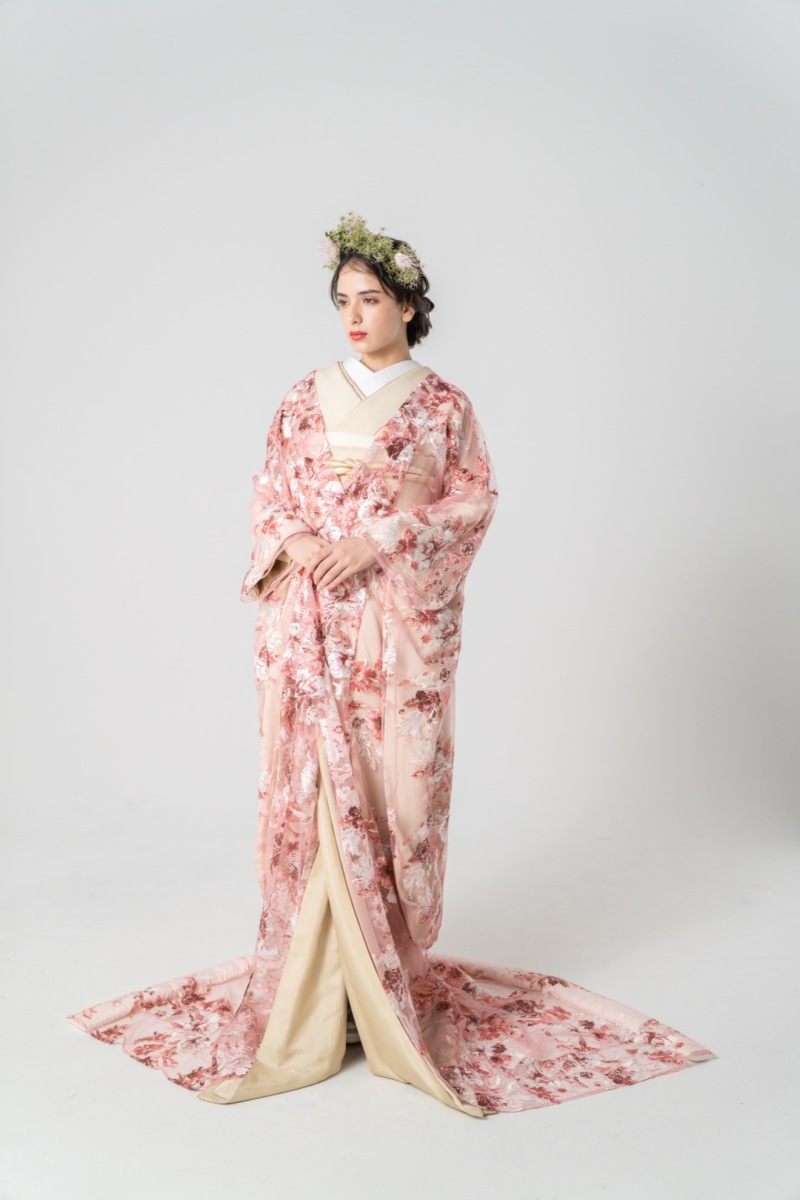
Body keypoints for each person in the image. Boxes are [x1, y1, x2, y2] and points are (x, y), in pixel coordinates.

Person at [67, 212, 713, 1116]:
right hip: (306, 622)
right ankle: (310, 998)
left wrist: (376, 541)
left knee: (391, 794)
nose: (354, 316)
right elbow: (269, 496)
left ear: (407, 304)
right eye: (342, 300)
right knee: (307, 792)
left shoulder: (445, 406)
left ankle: (379, 991)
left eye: (370, 299)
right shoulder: (301, 396)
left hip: (391, 629)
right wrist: (298, 540)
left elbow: (470, 505)